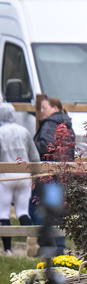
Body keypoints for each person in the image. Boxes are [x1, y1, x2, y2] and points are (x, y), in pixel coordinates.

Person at [30, 96, 74, 251]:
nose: (42, 111)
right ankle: (58, 250)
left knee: (36, 207)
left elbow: (46, 146)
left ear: (55, 108)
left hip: (48, 176)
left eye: (44, 107)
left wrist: (33, 146)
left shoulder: (50, 123)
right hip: (62, 175)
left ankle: (50, 247)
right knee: (56, 212)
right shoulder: (67, 124)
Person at [0, 101, 40, 255]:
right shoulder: (24, 131)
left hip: (5, 177)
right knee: (23, 211)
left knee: (3, 212)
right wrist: (35, 176)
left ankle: (8, 250)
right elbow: (34, 157)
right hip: (24, 176)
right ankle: (32, 246)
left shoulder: (0, 132)